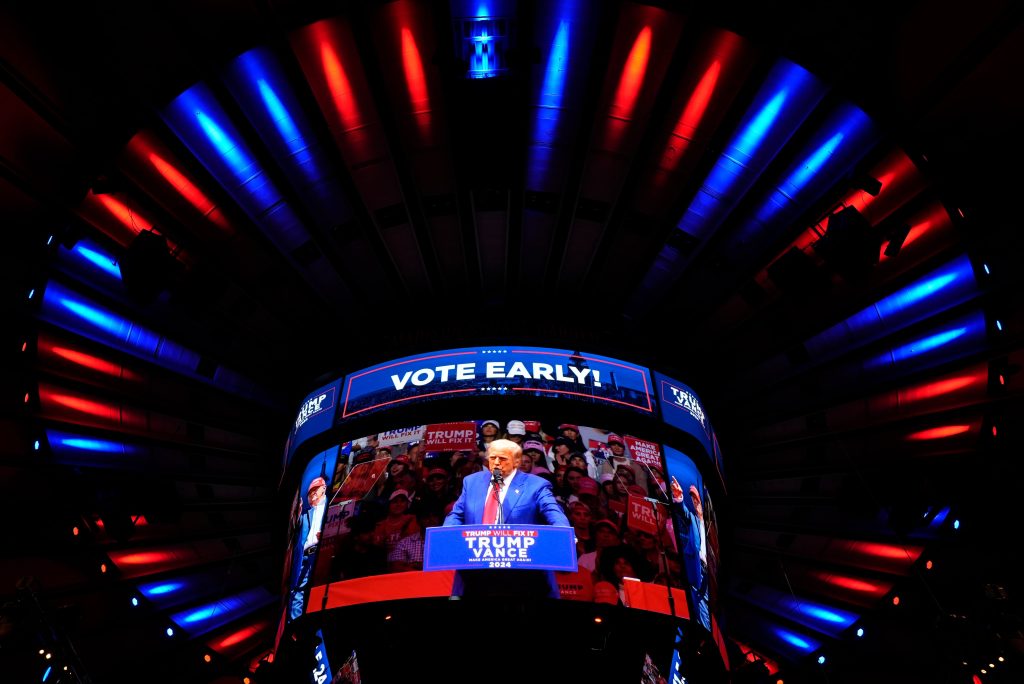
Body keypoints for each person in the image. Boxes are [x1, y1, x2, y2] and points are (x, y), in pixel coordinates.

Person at [443, 438, 570, 598]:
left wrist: (563, 532)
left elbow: (553, 511)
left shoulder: (536, 485)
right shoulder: (472, 482)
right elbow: (457, 514)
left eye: (502, 458)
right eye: (492, 458)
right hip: (476, 575)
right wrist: (447, 534)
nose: (496, 463)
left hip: (522, 577)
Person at [671, 476, 710, 631]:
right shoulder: (692, 519)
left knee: (706, 603)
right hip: (697, 567)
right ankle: (702, 630)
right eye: (693, 500)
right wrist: (678, 496)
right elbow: (682, 511)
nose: (696, 504)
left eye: (697, 501)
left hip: (710, 571)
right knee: (698, 601)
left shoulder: (712, 528)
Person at [289, 476, 327, 620]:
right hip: (304, 556)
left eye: (315, 490)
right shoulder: (306, 514)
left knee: (318, 590)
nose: (312, 494)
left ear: (324, 488)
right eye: (310, 492)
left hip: (320, 554)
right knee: (298, 591)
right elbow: (296, 534)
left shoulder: (331, 506)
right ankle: (295, 623)